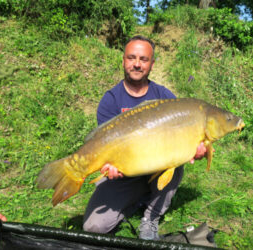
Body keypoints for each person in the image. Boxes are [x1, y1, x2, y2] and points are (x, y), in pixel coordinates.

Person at [82, 35, 208, 240]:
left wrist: (196, 147)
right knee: (94, 228)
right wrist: (108, 167)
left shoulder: (164, 96)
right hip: (123, 171)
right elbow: (103, 145)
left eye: (144, 59)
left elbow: (184, 134)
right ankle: (137, 198)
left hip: (157, 167)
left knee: (176, 159)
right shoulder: (110, 100)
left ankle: (151, 218)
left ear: (152, 64)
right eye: (132, 58)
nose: (137, 64)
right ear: (123, 60)